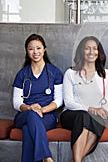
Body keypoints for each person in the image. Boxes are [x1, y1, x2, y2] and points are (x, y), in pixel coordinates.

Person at [60, 36, 108, 162]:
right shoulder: (71, 73)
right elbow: (68, 102)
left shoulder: (106, 75)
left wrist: (102, 111)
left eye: (94, 49)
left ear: (99, 52)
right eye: (87, 49)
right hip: (71, 115)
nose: (91, 52)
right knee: (84, 116)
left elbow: (107, 101)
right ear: (81, 52)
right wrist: (91, 109)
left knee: (93, 121)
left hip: (93, 118)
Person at [12, 33, 63, 162]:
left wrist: (42, 110)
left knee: (28, 129)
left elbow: (59, 100)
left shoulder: (54, 72)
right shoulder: (22, 74)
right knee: (31, 115)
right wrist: (30, 107)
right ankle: (46, 156)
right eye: (31, 49)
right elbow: (16, 102)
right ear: (27, 51)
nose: (35, 52)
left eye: (38, 48)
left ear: (44, 49)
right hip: (24, 115)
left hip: (47, 116)